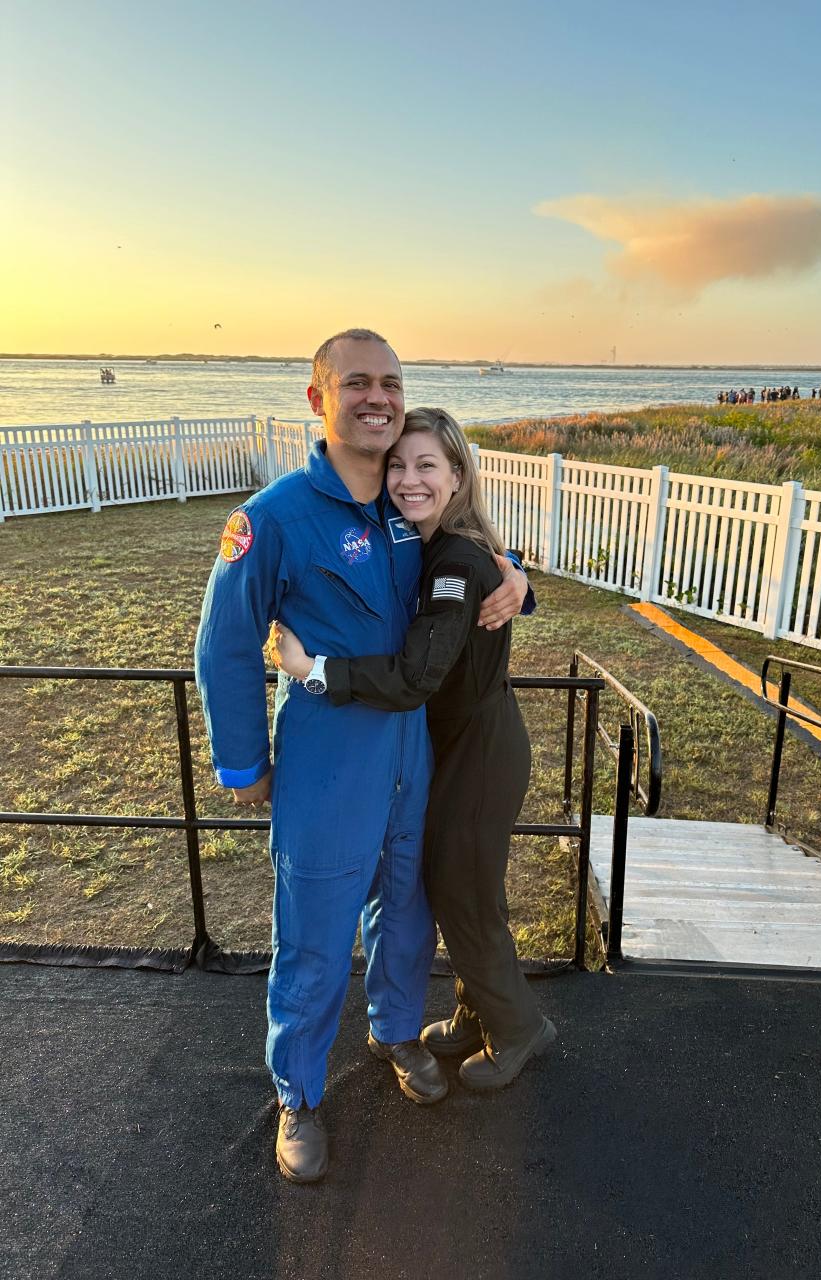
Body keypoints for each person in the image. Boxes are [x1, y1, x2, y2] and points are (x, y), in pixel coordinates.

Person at [194, 329, 529, 1184]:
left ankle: (394, 1033)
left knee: (407, 910)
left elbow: (463, 547)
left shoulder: (403, 502)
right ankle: (298, 1093)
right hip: (326, 759)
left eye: (390, 383)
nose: (378, 398)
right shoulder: (272, 519)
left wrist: (515, 569)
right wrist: (244, 764)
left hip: (412, 753)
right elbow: (225, 645)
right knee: (313, 933)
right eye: (357, 384)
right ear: (319, 399)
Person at [271, 406, 555, 1099]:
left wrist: (315, 671)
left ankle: (519, 1027)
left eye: (427, 465)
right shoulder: (428, 545)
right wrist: (516, 573)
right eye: (398, 464)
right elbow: (487, 577)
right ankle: (476, 1008)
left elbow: (415, 677)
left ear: (458, 474)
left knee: (463, 893)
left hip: (479, 751)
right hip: (456, 744)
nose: (407, 479)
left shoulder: (453, 559)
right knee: (456, 883)